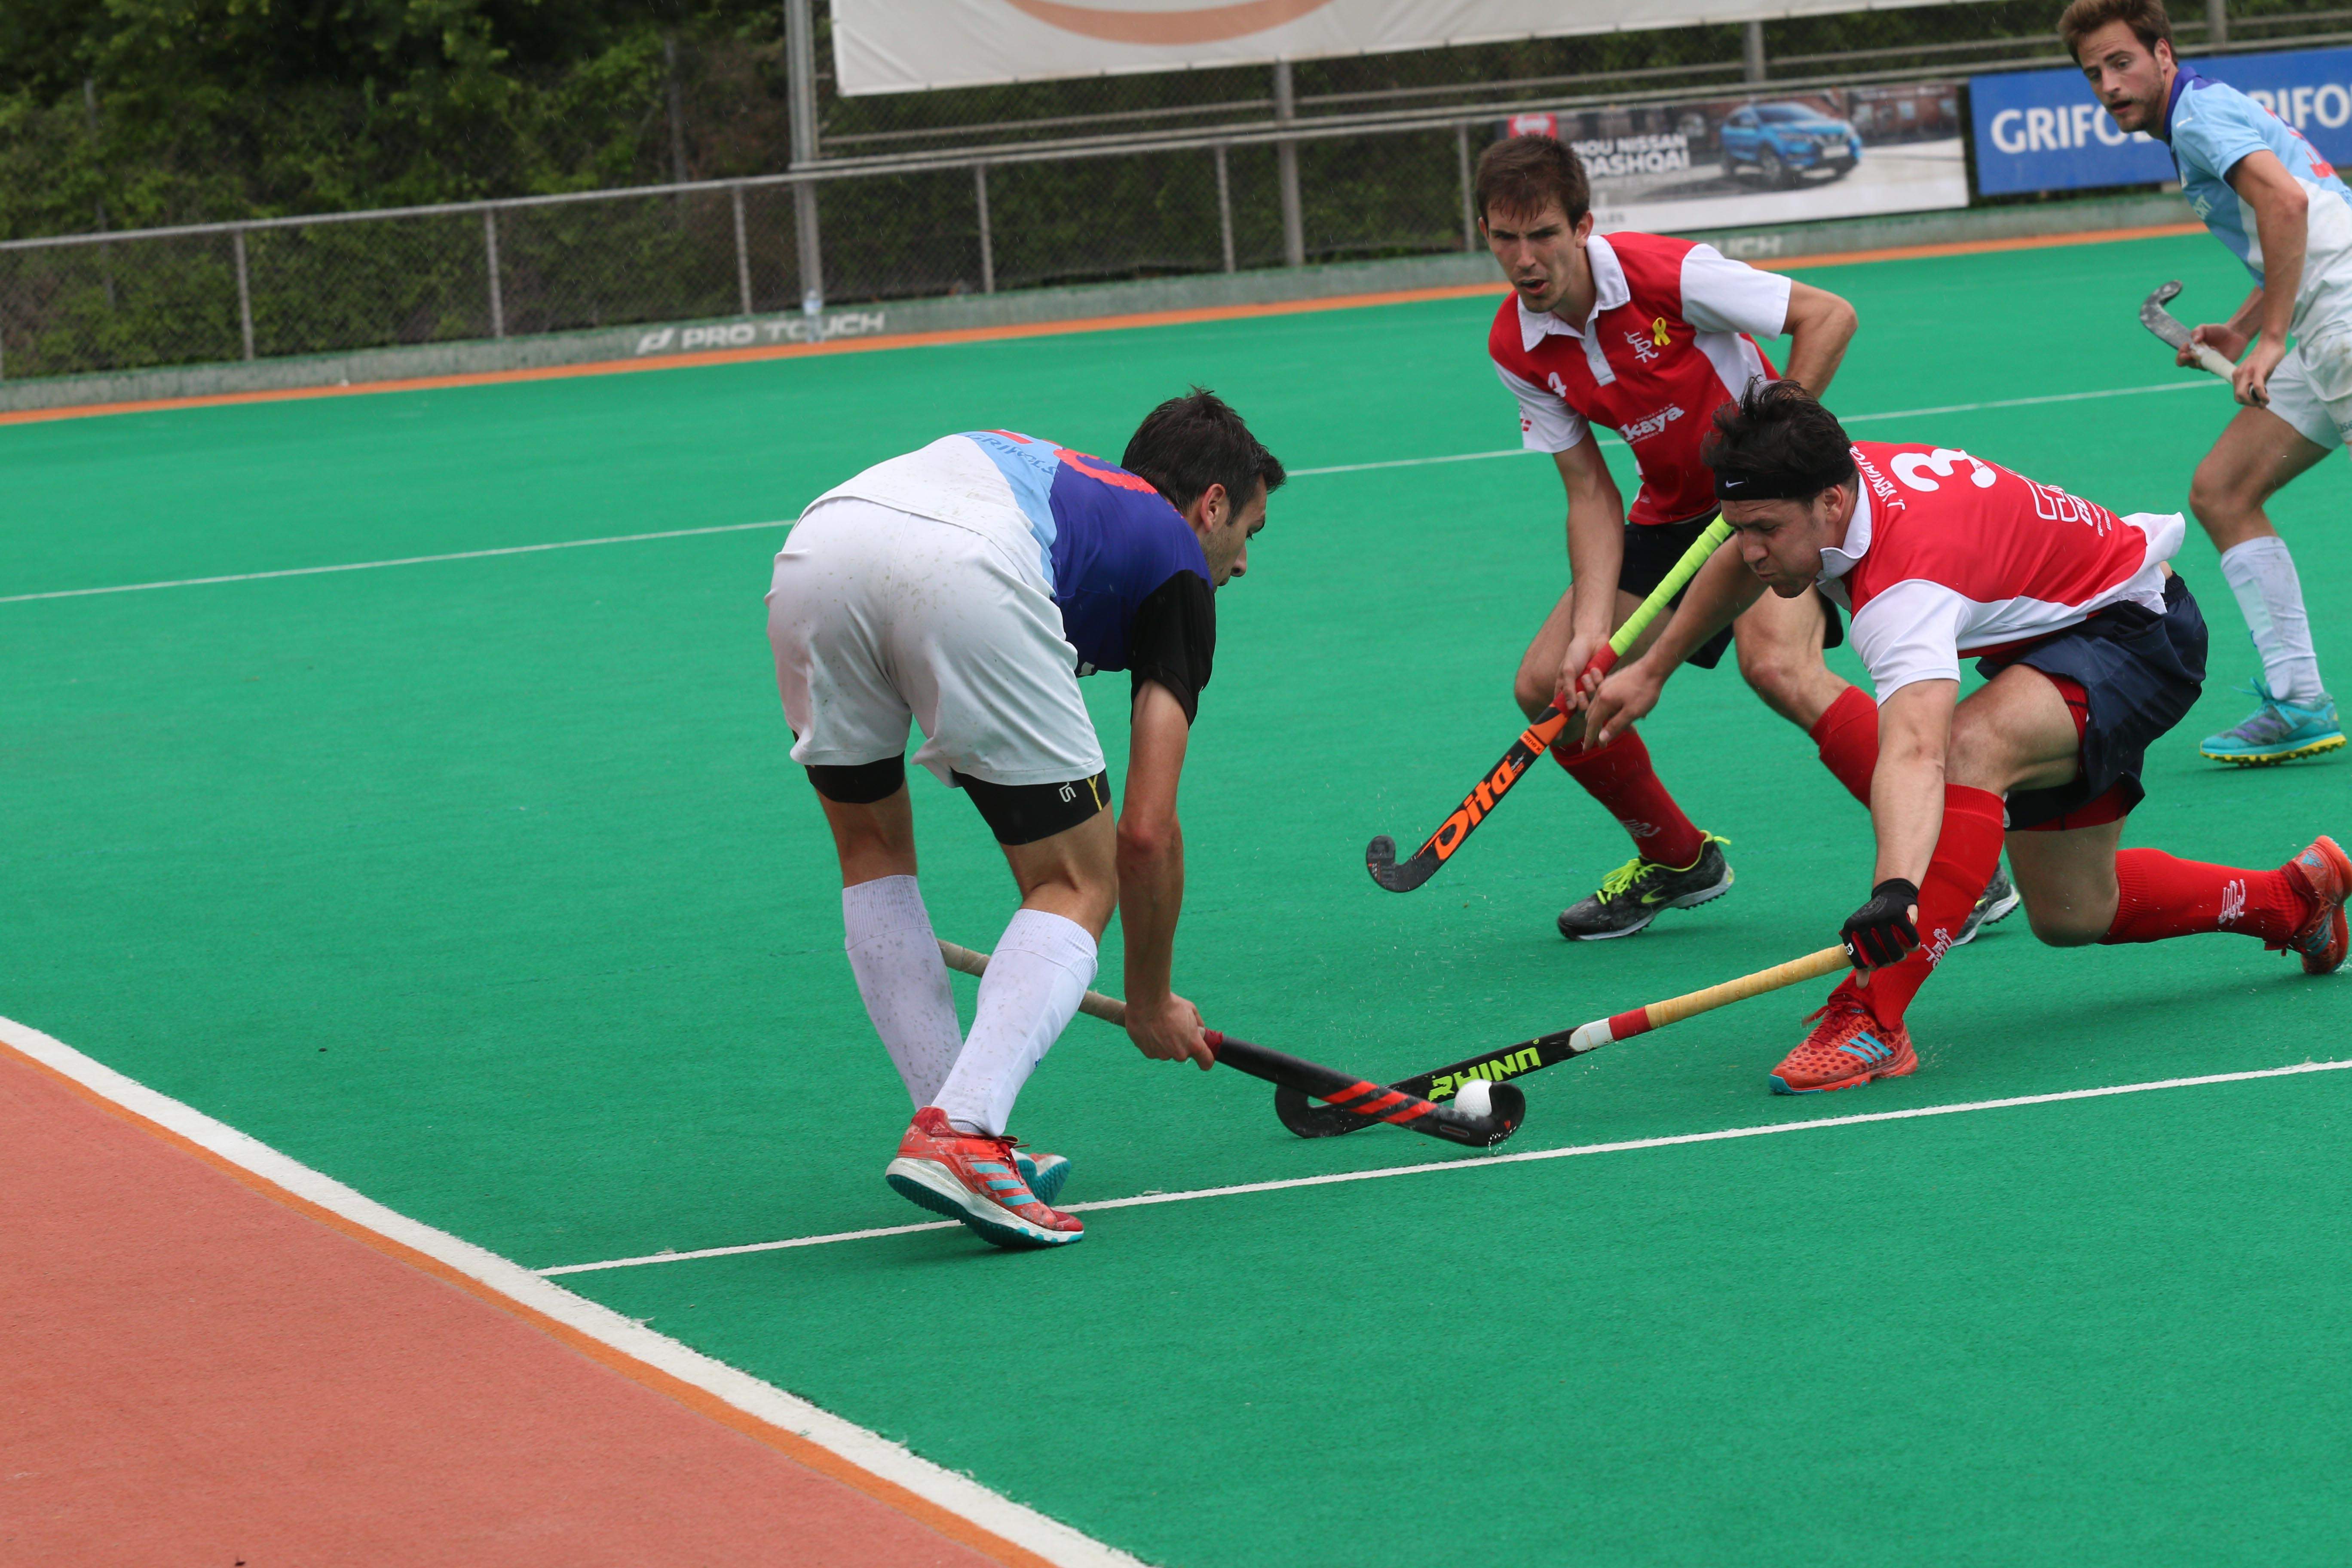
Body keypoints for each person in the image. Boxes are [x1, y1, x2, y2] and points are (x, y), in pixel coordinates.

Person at [1587, 381, 2347, 1093]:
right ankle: (2290, 900)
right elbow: (1738, 563)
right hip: (2055, 634)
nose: (1752, 549)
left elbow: (1917, 750)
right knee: (2074, 913)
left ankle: (1873, 1017)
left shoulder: (1907, 588)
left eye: (1767, 531)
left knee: (1971, 749)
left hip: (2134, 637)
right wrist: (1654, 667)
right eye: (1740, 526)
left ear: (1830, 502)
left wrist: (1895, 893)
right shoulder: (1827, 482)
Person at [766, 391, 1283, 1248]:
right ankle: (964, 1132)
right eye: (1247, 536)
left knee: (872, 854)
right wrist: (1151, 999)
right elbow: (1147, 833)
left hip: (821, 546)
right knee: (1074, 880)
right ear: (1213, 504)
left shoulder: (1078, 496)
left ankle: (957, 1126)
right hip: (965, 567)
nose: (1239, 566)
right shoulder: (1176, 560)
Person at [1473, 133, 2019, 940]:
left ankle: (1957, 871)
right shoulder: (1516, 343)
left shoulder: (1668, 273)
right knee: (1552, 687)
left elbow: (1828, 317)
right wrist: (1592, 630)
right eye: (1504, 238)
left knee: (1778, 667)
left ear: (1583, 226)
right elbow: (1589, 491)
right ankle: (1679, 860)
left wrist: (1769, 450)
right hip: (1668, 514)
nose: (1526, 259)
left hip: (1769, 500)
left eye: (1544, 234)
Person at [2067, 0, 2347, 766]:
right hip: (2323, 319)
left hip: (2342, 317)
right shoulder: (2202, 107)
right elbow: (2294, 214)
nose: (2109, 84)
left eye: (2121, 62)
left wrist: (2276, 336)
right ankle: (2300, 700)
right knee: (2223, 490)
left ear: (2162, 53)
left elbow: (2287, 203)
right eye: (2094, 73)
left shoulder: (2193, 118)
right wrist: (2244, 326)